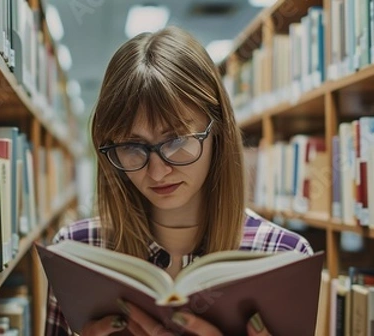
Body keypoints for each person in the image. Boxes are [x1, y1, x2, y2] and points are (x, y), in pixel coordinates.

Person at [45, 26, 313, 336]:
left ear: (217, 130)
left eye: (175, 141)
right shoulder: (76, 253)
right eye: (132, 147)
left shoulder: (283, 257)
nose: (157, 172)